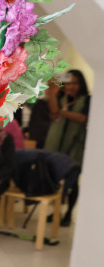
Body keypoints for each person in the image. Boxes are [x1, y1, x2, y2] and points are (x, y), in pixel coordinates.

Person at [44, 69, 90, 226]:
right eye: (68, 83)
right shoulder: (60, 97)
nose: (71, 86)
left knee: (73, 180)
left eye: (75, 83)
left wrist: (61, 112)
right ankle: (56, 211)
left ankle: (69, 214)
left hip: (76, 145)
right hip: (57, 143)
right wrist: (52, 93)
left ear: (81, 84)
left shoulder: (87, 100)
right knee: (57, 179)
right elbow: (53, 113)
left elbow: (82, 118)